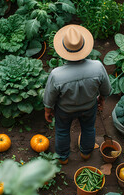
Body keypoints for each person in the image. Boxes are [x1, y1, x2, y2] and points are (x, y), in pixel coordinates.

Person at [43, 24, 111, 165]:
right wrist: (101, 99)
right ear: (84, 47)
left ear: (64, 50)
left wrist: (48, 110)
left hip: (65, 110)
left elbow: (50, 96)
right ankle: (86, 153)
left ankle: (63, 157)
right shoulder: (97, 66)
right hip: (89, 107)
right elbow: (106, 89)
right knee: (88, 129)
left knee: (62, 131)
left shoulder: (57, 74)